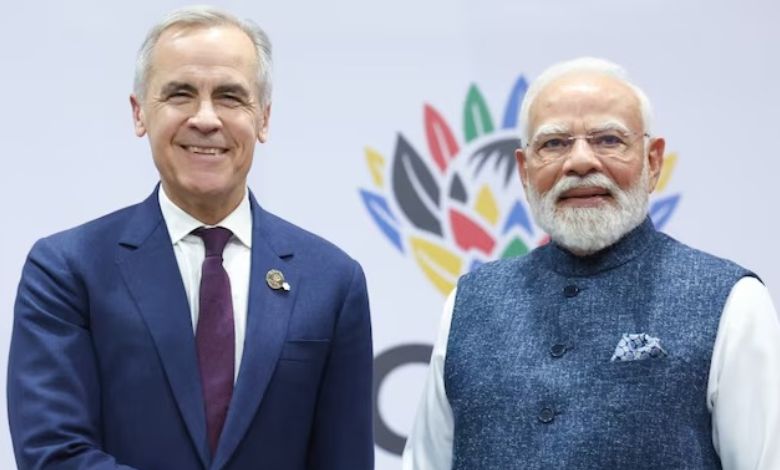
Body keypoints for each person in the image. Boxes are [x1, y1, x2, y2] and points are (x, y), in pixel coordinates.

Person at [8, 6, 373, 470]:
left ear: (263, 118)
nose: (206, 118)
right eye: (180, 94)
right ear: (140, 113)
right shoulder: (67, 269)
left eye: (229, 97)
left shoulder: (332, 282)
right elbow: (53, 455)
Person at [402, 57, 780, 469]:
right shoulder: (469, 303)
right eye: (554, 143)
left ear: (653, 162)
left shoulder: (732, 301)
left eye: (608, 140)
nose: (581, 162)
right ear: (525, 171)